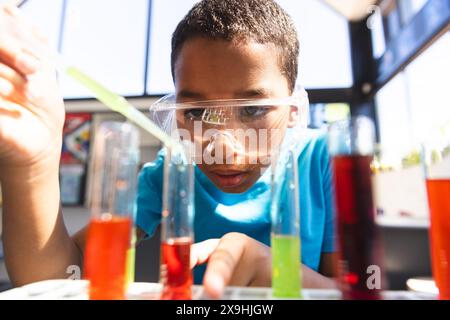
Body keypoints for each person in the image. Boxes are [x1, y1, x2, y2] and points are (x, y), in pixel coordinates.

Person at [0, 0, 336, 299]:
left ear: (294, 109)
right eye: (196, 113)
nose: (225, 146)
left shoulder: (322, 160)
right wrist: (34, 164)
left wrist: (279, 273)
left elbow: (362, 292)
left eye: (252, 109)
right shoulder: (172, 170)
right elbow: (59, 279)